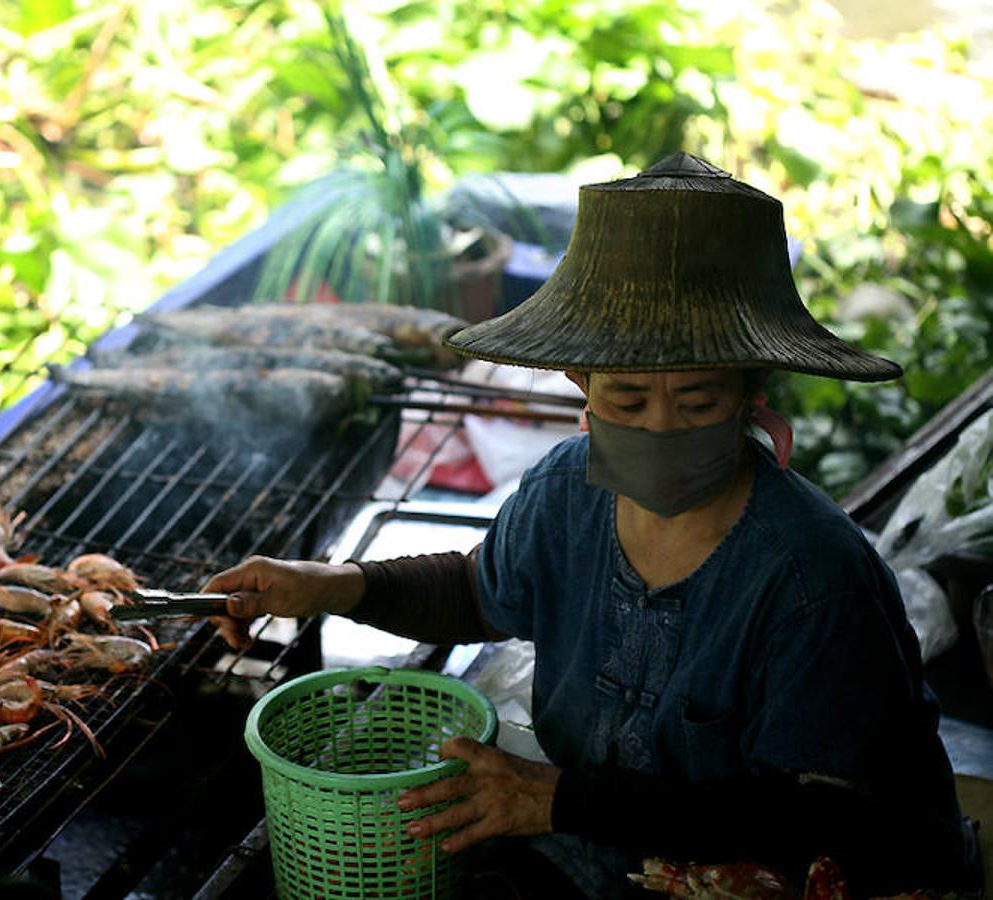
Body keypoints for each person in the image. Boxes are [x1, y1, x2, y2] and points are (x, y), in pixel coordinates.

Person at [205, 153, 982, 897]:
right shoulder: (564, 493)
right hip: (621, 849)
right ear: (580, 383)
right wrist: (329, 585)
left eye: (700, 402)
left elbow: (814, 815)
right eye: (628, 401)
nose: (664, 427)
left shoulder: (812, 579)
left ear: (753, 389)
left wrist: (558, 801)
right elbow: (482, 593)